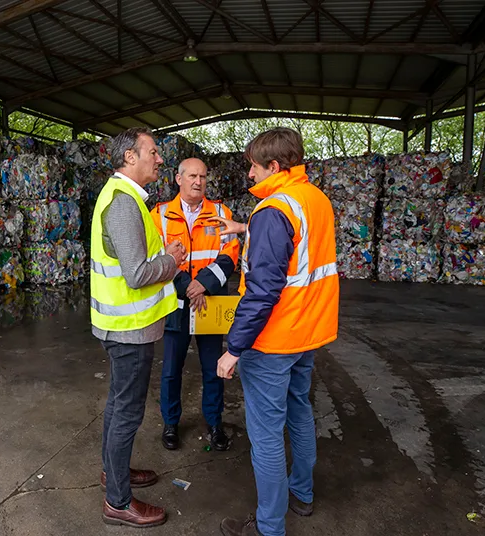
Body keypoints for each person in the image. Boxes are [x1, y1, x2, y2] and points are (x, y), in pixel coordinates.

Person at [212, 128, 339, 536]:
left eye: (252, 165)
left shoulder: (272, 210)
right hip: (307, 334)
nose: (248, 174)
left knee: (266, 434)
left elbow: (264, 291)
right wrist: (244, 229)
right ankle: (302, 494)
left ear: (274, 166)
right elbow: (297, 250)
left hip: (273, 339)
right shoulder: (314, 199)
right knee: (299, 411)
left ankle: (268, 527)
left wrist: (234, 348)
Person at [90, 127, 188, 529]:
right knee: (127, 412)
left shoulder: (125, 198)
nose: (159, 159)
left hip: (126, 326)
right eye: (153, 152)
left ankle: (113, 473)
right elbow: (137, 274)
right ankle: (118, 501)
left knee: (118, 405)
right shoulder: (124, 203)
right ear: (130, 157)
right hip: (128, 330)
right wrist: (172, 260)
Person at [150, 158, 239, 452]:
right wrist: (188, 286)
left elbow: (229, 255)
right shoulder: (159, 215)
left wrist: (203, 284)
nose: (198, 181)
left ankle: (215, 424)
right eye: (191, 176)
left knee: (214, 368)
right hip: (175, 304)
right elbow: (155, 255)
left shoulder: (220, 212)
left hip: (209, 303)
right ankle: (171, 423)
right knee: (171, 369)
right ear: (178, 178)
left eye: (202, 176)